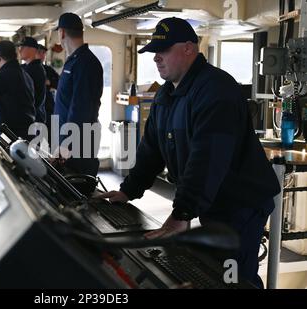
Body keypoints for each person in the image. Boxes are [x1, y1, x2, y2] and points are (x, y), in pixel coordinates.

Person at [100, 17, 280, 288]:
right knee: (211, 269)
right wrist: (129, 190)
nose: (156, 58)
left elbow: (207, 159)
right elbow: (151, 150)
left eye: (163, 51)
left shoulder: (216, 89)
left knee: (234, 277)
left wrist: (182, 213)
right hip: (212, 200)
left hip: (241, 202)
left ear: (188, 48)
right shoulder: (166, 95)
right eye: (154, 52)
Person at [54, 12, 103, 177]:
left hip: (78, 143)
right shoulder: (74, 60)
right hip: (70, 140)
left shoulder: (86, 63)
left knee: (80, 187)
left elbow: (81, 109)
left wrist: (67, 144)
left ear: (62, 32)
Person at [18, 36, 47, 123]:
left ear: (32, 50)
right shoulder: (26, 68)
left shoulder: (35, 69)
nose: (20, 50)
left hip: (34, 119)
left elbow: (34, 98)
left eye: (23, 47)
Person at [36, 44, 60, 137]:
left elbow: (59, 83)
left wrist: (49, 82)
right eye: (39, 53)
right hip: (34, 110)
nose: (42, 55)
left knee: (51, 137)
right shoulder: (26, 69)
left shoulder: (48, 70)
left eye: (44, 53)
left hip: (48, 107)